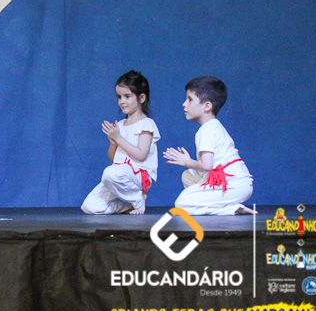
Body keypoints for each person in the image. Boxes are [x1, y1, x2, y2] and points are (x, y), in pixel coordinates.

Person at [164, 76, 255, 215]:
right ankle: (223, 204)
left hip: (234, 185)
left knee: (181, 204)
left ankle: (231, 208)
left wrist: (187, 161)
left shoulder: (206, 130)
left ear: (207, 106)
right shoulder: (213, 126)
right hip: (235, 184)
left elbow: (207, 166)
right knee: (188, 176)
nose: (184, 104)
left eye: (190, 99)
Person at [81, 71, 160, 215]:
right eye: (119, 97)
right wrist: (113, 143)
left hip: (138, 176)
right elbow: (113, 159)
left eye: (127, 96)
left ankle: (137, 198)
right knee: (89, 206)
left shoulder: (146, 124)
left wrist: (119, 139)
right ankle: (128, 203)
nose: (122, 101)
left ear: (142, 98)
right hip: (120, 177)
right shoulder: (121, 125)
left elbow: (141, 155)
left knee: (109, 173)